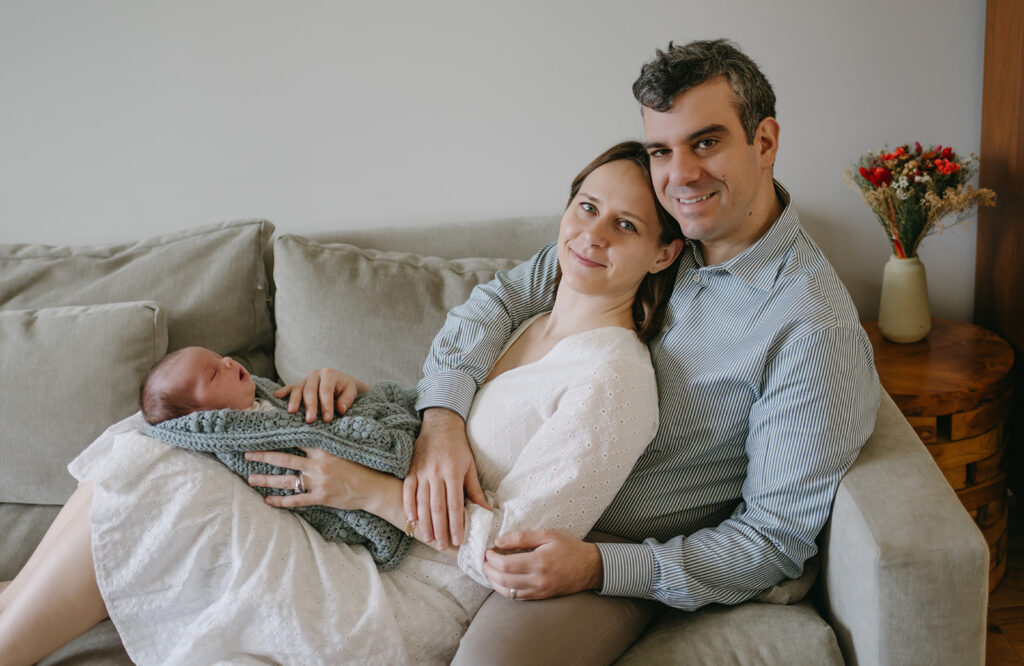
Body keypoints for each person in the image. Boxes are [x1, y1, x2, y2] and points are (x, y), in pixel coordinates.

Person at [0, 141, 684, 665]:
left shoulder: (613, 382)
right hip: (363, 542)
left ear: (662, 253)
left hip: (407, 599)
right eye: (587, 207)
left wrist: (365, 491)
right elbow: (444, 434)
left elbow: (512, 554)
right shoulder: (532, 322)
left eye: (626, 225)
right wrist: (359, 397)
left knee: (161, 475)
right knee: (148, 441)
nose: (592, 235)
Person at [404, 38, 881, 655]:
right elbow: (501, 301)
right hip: (509, 495)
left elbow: (772, 538)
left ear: (764, 142)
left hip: (610, 551)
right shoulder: (654, 231)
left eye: (705, 142)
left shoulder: (811, 327)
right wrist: (440, 421)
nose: (680, 175)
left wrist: (599, 567)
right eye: (662, 149)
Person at [139, 345, 420, 570]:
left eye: (218, 356)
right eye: (212, 373)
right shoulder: (243, 447)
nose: (226, 361)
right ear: (202, 417)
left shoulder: (259, 394)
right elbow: (307, 455)